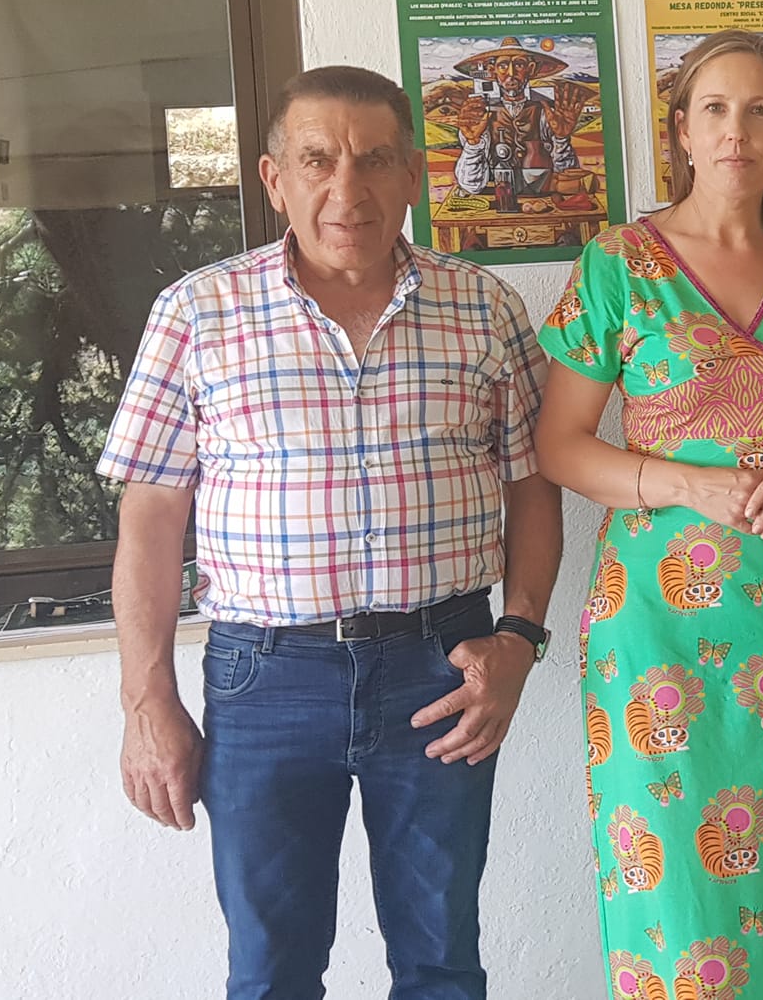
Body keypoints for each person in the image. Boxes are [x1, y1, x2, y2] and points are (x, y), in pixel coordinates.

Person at [99, 64, 562, 1000]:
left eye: (373, 160)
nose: (345, 189)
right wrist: (146, 699)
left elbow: (536, 486)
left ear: (414, 177)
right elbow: (150, 517)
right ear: (274, 179)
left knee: (441, 960)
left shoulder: (485, 308)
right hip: (265, 678)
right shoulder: (198, 312)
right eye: (317, 159)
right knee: (271, 969)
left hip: (442, 669)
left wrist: (518, 635)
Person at [533, 30, 763, 999]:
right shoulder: (620, 260)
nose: (735, 130)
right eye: (714, 108)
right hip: (657, 625)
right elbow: (561, 443)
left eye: (760, 110)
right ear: (681, 132)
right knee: (679, 880)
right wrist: (682, 481)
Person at [449, 36, 589, 202]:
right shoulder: (480, 117)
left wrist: (561, 139)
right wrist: (473, 144)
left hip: (542, 201)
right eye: (503, 65)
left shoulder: (546, 114)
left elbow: (568, 177)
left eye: (519, 65)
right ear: (493, 70)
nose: (511, 73)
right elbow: (470, 185)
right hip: (497, 201)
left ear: (530, 69)